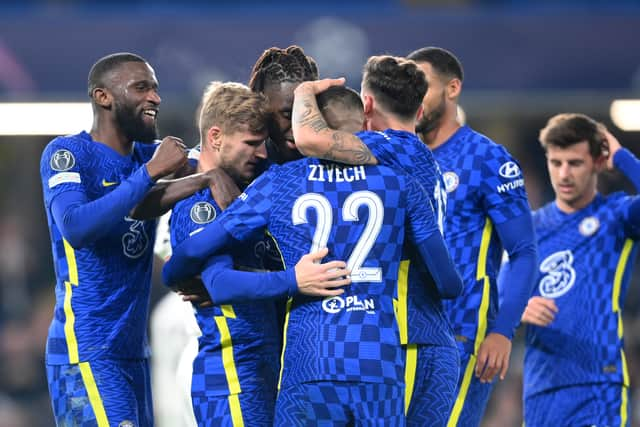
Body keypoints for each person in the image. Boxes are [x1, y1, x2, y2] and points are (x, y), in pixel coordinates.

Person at [163, 61, 462, 425]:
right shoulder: (399, 180)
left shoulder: (279, 182)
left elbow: (193, 255)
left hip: (308, 362)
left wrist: (179, 275)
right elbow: (449, 284)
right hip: (380, 360)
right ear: (362, 122)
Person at [292, 55, 459, 426]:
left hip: (407, 336)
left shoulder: (392, 148)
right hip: (428, 337)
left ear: (367, 105)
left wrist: (304, 93)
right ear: (419, 108)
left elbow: (308, 138)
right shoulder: (421, 157)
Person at [40, 52, 188, 426]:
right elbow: (76, 227)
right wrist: (151, 173)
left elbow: (220, 159)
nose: (155, 97)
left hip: (133, 353)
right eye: (141, 87)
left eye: (155, 88)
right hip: (86, 350)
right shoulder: (69, 154)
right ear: (103, 97)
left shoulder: (148, 157)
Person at [404, 46, 538, 426]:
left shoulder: (486, 159)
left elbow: (524, 251)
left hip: (463, 329)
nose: (414, 98)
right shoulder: (399, 155)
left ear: (453, 88)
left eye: (423, 87)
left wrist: (502, 331)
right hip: (405, 330)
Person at [517, 114, 640, 426]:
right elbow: (494, 298)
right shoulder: (529, 229)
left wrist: (622, 158)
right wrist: (519, 308)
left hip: (599, 384)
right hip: (541, 389)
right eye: (556, 162)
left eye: (575, 162)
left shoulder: (617, 216)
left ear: (597, 162)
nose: (564, 174)